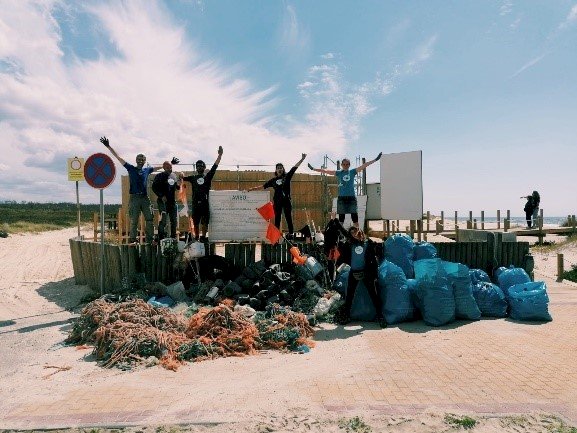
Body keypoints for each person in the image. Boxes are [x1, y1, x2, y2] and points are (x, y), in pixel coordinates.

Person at [100, 136, 178, 244]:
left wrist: (171, 163)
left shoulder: (147, 170)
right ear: (136, 160)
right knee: (134, 221)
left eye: (143, 159)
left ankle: (150, 240)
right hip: (135, 198)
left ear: (145, 161)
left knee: (149, 219)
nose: (141, 161)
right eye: (139, 159)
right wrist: (108, 146)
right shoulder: (130, 168)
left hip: (144, 198)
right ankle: (133, 240)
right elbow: (119, 158)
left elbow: (162, 167)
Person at [308, 153, 382, 227]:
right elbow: (326, 171)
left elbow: (364, 165)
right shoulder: (339, 173)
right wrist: (313, 169)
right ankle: (340, 236)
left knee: (355, 218)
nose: (345, 166)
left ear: (349, 165)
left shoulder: (353, 172)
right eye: (344, 164)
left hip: (351, 198)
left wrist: (375, 159)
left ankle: (357, 235)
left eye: (347, 164)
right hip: (342, 199)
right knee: (341, 219)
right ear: (342, 165)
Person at [247, 154, 307, 238]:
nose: (280, 169)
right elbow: (263, 186)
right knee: (277, 219)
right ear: (276, 170)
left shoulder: (287, 176)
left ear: (283, 169)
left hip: (286, 201)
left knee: (288, 217)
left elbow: (294, 168)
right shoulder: (273, 180)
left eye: (281, 168)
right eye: (278, 168)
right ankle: (276, 236)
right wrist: (252, 189)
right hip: (277, 201)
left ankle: (291, 234)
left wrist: (302, 159)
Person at [337, 225, 386, 328]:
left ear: (360, 232)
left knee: (373, 294)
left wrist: (373, 273)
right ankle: (346, 315)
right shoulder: (350, 244)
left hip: (366, 273)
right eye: (351, 233)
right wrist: (336, 221)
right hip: (354, 272)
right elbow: (344, 233)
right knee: (349, 295)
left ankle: (380, 316)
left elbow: (375, 259)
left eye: (355, 232)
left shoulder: (368, 243)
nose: (354, 235)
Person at [182, 146, 223, 241]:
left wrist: (220, 155)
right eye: (198, 166)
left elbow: (214, 166)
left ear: (204, 167)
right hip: (196, 203)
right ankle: (196, 236)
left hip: (205, 203)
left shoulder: (207, 177)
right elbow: (182, 178)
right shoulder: (193, 178)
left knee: (205, 222)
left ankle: (203, 237)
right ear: (196, 168)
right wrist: (181, 174)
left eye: (201, 166)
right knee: (196, 222)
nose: (199, 167)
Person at [151, 161, 181, 240]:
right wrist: (161, 196)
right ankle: (161, 238)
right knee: (163, 220)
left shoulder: (173, 176)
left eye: (171, 167)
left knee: (174, 221)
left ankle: (173, 238)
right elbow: (154, 187)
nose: (170, 169)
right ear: (164, 168)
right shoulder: (159, 176)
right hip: (162, 202)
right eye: (168, 168)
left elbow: (177, 187)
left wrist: (180, 180)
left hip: (172, 202)